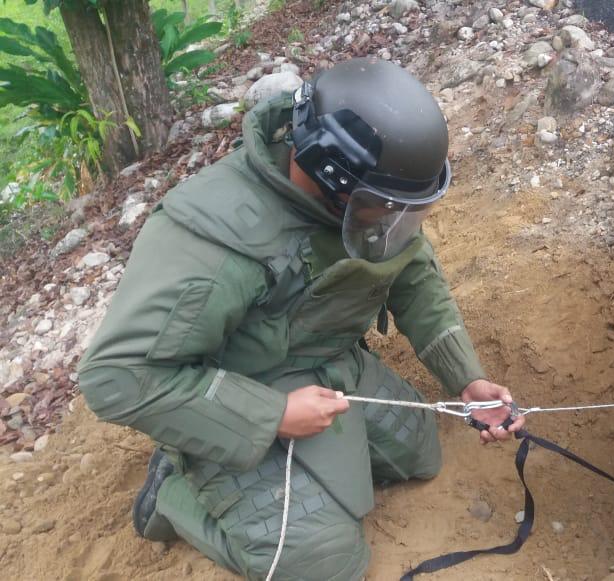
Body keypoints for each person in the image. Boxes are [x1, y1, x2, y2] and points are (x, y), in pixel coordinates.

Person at [77, 58, 525, 580]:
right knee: (326, 566)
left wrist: (466, 378)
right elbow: (115, 377)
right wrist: (271, 415)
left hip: (329, 360)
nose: (396, 223)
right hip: (241, 387)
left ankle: (316, 464)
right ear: (331, 175)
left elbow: (412, 273)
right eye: (388, 208)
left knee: (420, 456)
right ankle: (174, 493)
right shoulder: (215, 240)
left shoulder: (368, 201)